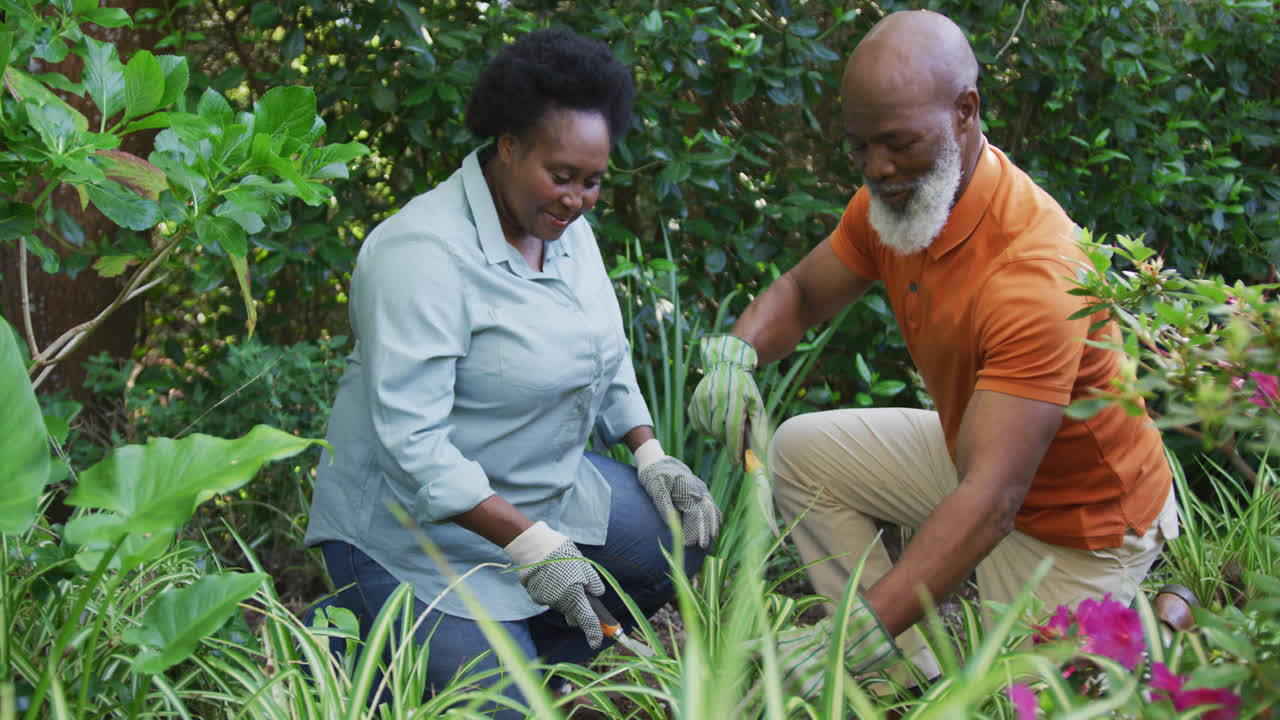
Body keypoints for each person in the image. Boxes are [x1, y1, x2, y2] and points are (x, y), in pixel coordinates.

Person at [689, 10, 1178, 696]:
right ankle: (895, 684)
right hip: (986, 455)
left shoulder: (1035, 271)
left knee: (1007, 705)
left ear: (965, 112)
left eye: (898, 144)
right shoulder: (896, 205)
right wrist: (735, 354)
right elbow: (801, 292)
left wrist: (852, 629)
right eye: (860, 148)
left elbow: (991, 502)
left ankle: (1149, 612)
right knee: (803, 454)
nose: (879, 169)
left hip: (1077, 519)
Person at [304, 28, 719, 715]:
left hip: (542, 498)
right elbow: (414, 448)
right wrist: (531, 546)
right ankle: (363, 651)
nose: (578, 199)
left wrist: (650, 452)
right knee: (507, 709)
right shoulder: (419, 255)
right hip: (411, 538)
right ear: (507, 145)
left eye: (592, 181)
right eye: (561, 176)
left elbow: (602, 349)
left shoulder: (562, 228)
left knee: (678, 535)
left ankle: (500, 657)